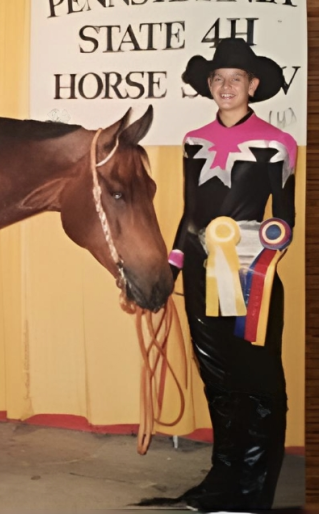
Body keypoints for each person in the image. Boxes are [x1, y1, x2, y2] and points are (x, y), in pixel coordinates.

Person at [166, 38, 297, 511]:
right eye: (218, 78)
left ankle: (253, 489)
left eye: (236, 79)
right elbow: (189, 215)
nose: (226, 86)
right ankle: (224, 477)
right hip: (202, 278)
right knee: (217, 380)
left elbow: (285, 219)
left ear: (253, 85)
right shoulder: (194, 141)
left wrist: (263, 242)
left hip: (249, 277)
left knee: (258, 382)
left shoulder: (278, 144)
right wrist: (173, 267)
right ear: (209, 84)